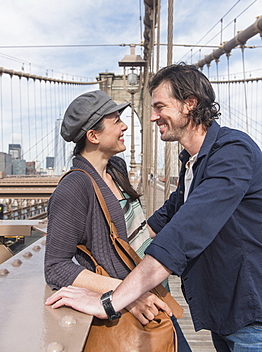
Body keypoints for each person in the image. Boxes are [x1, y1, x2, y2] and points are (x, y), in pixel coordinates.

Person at [46, 64, 262, 351]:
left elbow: (185, 230)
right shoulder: (193, 161)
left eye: (160, 106)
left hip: (250, 311)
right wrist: (119, 286)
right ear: (92, 136)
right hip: (220, 310)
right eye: (116, 120)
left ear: (190, 104)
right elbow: (168, 215)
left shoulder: (233, 153)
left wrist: (112, 299)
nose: (150, 117)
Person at [44, 89, 191, 350]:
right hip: (131, 308)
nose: (124, 126)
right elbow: (56, 265)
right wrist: (126, 294)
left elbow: (135, 229)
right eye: (116, 121)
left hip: (153, 293)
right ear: (93, 136)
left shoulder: (116, 168)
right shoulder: (75, 187)